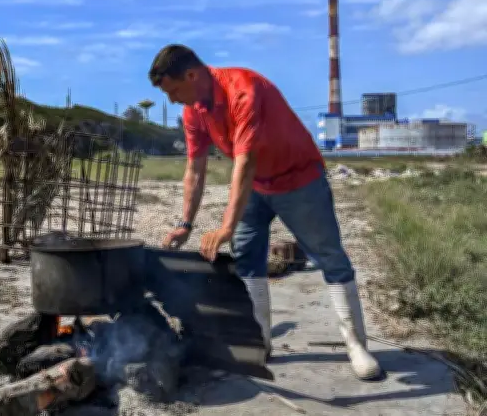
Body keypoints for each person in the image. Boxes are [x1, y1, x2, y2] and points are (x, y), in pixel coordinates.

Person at [148, 44, 383, 381]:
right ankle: (261, 344)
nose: (172, 100)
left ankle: (357, 346)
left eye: (173, 91)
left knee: (329, 256)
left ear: (191, 74)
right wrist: (185, 224)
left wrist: (226, 227)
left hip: (298, 181)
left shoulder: (244, 89)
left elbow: (245, 160)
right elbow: (195, 170)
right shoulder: (193, 111)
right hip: (257, 186)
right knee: (246, 258)